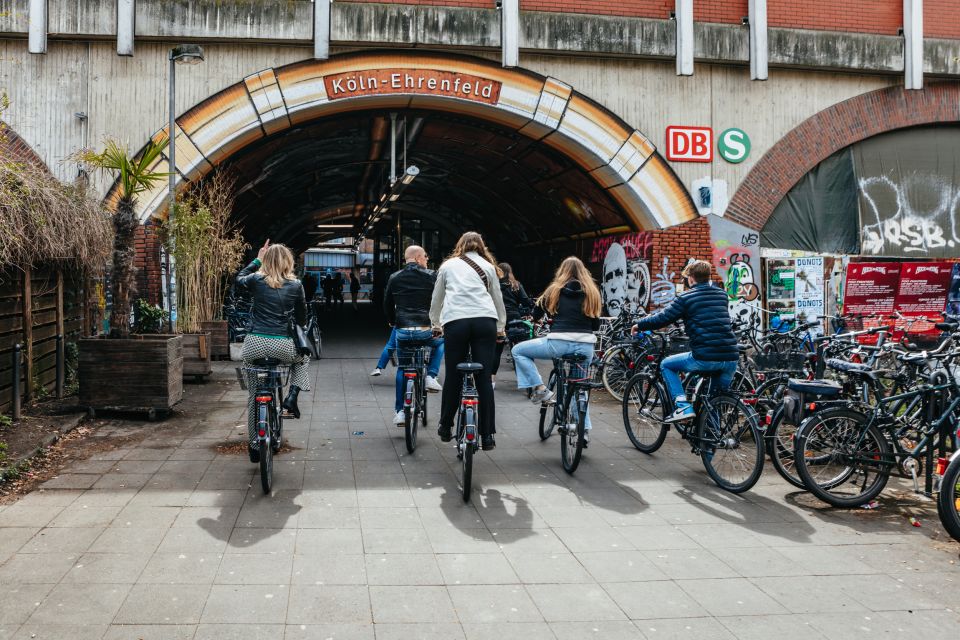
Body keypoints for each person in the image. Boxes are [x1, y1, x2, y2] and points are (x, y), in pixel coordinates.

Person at [631, 259, 738, 422]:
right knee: (713, 401)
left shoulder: (686, 298)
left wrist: (640, 325)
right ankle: (708, 443)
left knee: (666, 364)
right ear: (708, 277)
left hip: (705, 357)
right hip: (730, 358)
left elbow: (664, 318)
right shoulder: (722, 295)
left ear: (691, 278)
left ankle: (682, 407)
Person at [430, 232, 506, 451]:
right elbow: (497, 299)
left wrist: (435, 323)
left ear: (460, 245)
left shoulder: (448, 265)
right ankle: (488, 435)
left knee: (454, 374)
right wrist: (500, 327)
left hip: (456, 321)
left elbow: (437, 297)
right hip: (485, 321)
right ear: (481, 246)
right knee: (484, 378)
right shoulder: (489, 267)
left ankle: (445, 426)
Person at [511, 257, 601, 442]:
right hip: (586, 347)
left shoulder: (554, 290)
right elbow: (596, 324)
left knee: (518, 351)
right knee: (579, 387)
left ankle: (540, 388)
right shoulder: (592, 292)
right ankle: (584, 430)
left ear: (562, 271)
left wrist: (538, 319)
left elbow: (537, 313)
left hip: (558, 344)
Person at [236, 240, 311, 462]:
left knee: (253, 396)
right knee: (303, 359)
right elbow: (301, 317)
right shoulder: (296, 285)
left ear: (266, 261)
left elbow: (238, 280)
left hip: (254, 344)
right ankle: (291, 398)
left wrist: (257, 259)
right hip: (283, 345)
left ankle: (253, 446)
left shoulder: (256, 280)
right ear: (288, 262)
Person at [383, 245, 445, 425]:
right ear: (418, 257)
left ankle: (400, 412)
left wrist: (392, 321)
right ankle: (431, 376)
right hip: (426, 330)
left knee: (403, 368)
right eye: (425, 256)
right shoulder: (432, 276)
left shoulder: (394, 277)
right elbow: (441, 300)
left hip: (403, 331)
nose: (427, 260)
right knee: (440, 343)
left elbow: (387, 303)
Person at [491, 262, 533, 388]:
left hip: (498, 319)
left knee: (496, 351)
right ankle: (524, 379)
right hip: (515, 319)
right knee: (519, 349)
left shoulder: (494, 285)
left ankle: (491, 380)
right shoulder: (516, 285)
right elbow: (525, 301)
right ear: (510, 272)